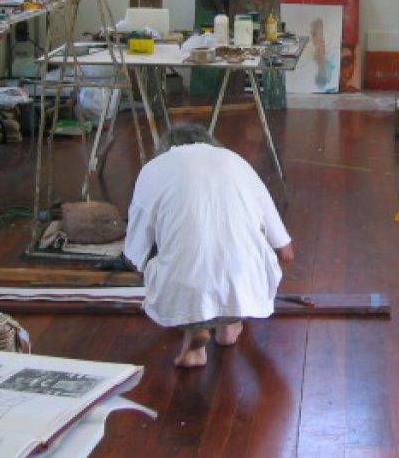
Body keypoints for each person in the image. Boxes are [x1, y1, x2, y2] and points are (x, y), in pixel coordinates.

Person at [123, 123, 294, 368]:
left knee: (169, 258)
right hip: (244, 279)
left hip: (185, 285)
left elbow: (133, 252)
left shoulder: (153, 169)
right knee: (240, 263)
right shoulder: (236, 162)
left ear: (165, 149)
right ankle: (229, 324)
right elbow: (286, 252)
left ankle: (194, 332)